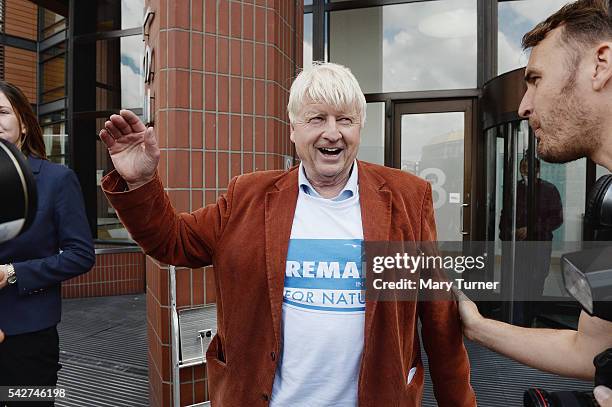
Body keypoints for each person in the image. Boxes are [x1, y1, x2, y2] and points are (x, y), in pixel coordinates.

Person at [100, 62, 476, 406]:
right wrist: (142, 182)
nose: (333, 133)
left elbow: (438, 315)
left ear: (360, 126)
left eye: (345, 119)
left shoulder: (407, 197)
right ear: (293, 129)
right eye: (317, 119)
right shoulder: (247, 195)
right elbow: (171, 241)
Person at [455, 0, 612, 393]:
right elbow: (588, 351)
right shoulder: (608, 205)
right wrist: (476, 326)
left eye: (536, 79)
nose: (524, 106)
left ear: (600, 64)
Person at [0, 82, 95, 405]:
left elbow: (80, 255)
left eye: (1, 112)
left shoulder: (57, 180)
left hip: (28, 339)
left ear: (24, 123)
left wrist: (14, 272)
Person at [499, 157, 563, 326]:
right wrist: (507, 234)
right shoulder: (514, 189)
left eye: (529, 167)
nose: (525, 170)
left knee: (536, 281)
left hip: (539, 245)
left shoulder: (549, 190)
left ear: (538, 170)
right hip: (516, 246)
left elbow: (557, 219)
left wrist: (531, 230)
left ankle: (532, 318)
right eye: (523, 166)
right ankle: (518, 323)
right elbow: (504, 215)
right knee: (516, 282)